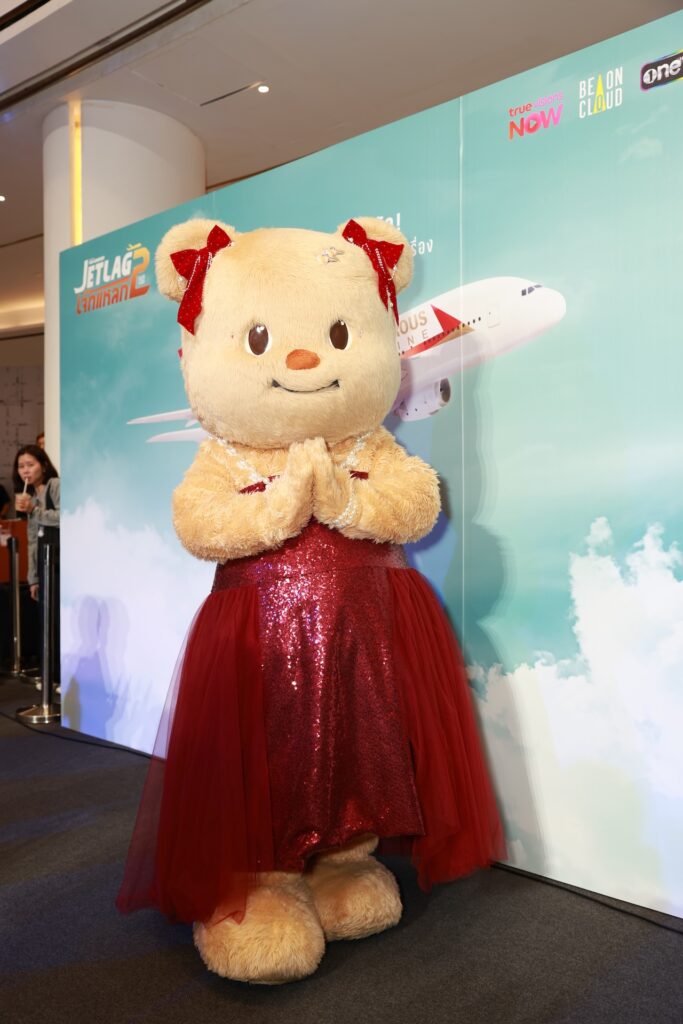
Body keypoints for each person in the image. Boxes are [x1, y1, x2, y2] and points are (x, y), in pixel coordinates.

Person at [13, 445, 60, 686]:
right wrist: (33, 577)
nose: (25, 471)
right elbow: (32, 539)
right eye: (21, 466)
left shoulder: (55, 486)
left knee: (58, 619)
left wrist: (35, 510)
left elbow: (65, 517)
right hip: (43, 561)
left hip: (59, 560)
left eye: (30, 465)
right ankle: (49, 675)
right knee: (45, 620)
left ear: (43, 464)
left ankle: (60, 674)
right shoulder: (29, 495)